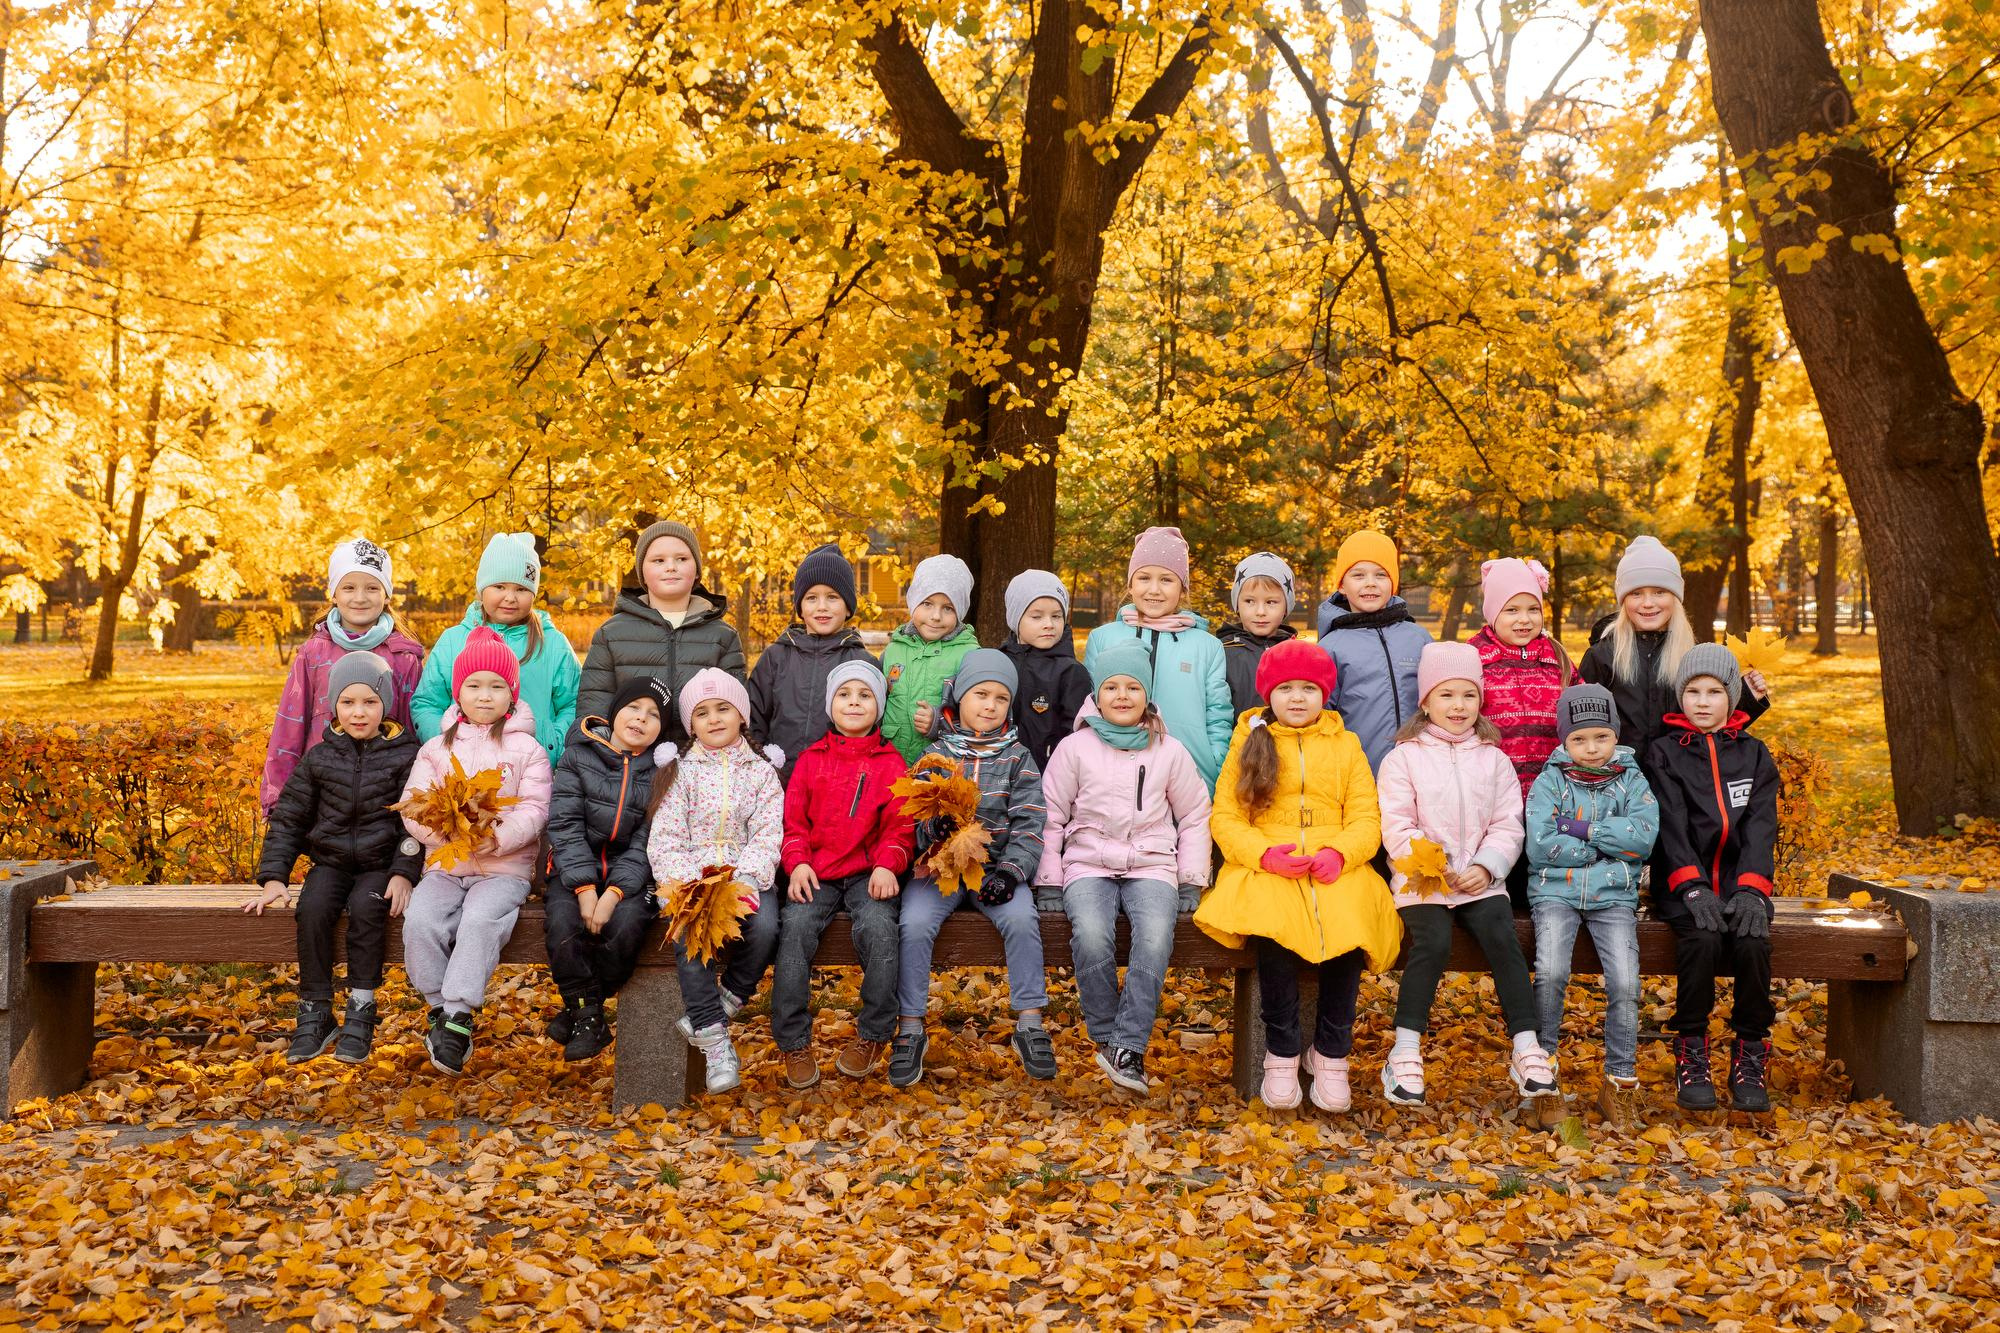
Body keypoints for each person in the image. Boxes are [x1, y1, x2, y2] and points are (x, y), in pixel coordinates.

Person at [1194, 640, 1402, 1112]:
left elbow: (1367, 817)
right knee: (1275, 928)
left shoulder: (1345, 745)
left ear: (1324, 694)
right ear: (1270, 694)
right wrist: (1265, 855)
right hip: (1267, 860)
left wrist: (1341, 853)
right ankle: (1282, 1049)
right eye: (1286, 688)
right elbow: (1226, 817)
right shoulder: (1250, 740)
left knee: (1353, 924)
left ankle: (1331, 1051)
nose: (1297, 698)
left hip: (1335, 860)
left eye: (1308, 688)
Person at [1375, 642, 1557, 1109]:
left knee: (1503, 938)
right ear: (1426, 702)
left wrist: (1485, 866)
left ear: (1481, 700)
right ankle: (1406, 1049)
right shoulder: (1404, 757)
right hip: (1423, 881)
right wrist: (1433, 866)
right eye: (1447, 696)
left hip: (1481, 881)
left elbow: (1506, 821)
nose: (1458, 706)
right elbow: (1397, 823)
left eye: (1468, 696)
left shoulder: (1492, 758)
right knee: (1432, 942)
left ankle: (1526, 1047)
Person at [1037, 643, 1211, 1093]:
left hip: (1152, 862)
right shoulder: (1075, 748)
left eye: (1133, 687)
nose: (1122, 695)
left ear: (1147, 695)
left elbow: (1193, 815)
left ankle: (1127, 1046)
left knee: (1154, 938)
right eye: (1111, 686)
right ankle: (1108, 1038)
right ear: (1096, 693)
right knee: (1092, 934)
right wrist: (1050, 881)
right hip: (1088, 860)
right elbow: (1051, 814)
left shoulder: (1168, 751)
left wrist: (1191, 878)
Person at [248, 651, 423, 1065]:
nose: (359, 713)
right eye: (348, 703)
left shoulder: (405, 756)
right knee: (312, 908)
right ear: (333, 705)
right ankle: (315, 1010)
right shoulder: (320, 757)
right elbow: (289, 818)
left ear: (386, 706)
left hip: (379, 866)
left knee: (367, 907)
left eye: (369, 703)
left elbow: (414, 826)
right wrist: (274, 877)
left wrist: (403, 873)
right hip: (331, 862)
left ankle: (361, 1010)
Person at [891, 650, 1053, 1087]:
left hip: (995, 872)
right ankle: (909, 1028)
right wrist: (932, 829)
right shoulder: (936, 756)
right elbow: (913, 816)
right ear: (959, 697)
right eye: (981, 694)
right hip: (939, 870)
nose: (990, 704)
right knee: (914, 923)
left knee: (1022, 920)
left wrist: (1014, 872)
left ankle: (1031, 1022)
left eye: (1001, 698)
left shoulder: (1017, 758)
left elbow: (1030, 822)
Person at [400, 627, 554, 1076]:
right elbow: (413, 805)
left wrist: (498, 836)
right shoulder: (436, 749)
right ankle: (439, 1011)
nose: (484, 696)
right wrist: (440, 832)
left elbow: (535, 808)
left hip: (503, 869)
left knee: (479, 921)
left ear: (512, 694)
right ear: (458, 692)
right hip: (447, 865)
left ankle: (460, 1014)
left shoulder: (527, 749)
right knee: (422, 919)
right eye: (474, 685)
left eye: (496, 686)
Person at [1646, 644, 1781, 1113]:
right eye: (1692, 691)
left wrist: (1751, 889)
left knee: (1752, 943)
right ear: (1680, 698)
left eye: (1714, 691)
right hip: (1685, 884)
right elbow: (1670, 825)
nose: (1702, 702)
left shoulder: (1755, 754)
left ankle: (1749, 1050)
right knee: (1702, 939)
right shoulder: (1664, 754)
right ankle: (1692, 1046)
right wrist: (1691, 883)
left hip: (1740, 882)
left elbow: (1761, 828)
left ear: (1733, 696)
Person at [771, 661, 914, 1087]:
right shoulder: (811, 760)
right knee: (794, 930)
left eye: (865, 694)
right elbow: (792, 821)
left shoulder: (891, 763)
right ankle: (793, 1041)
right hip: (816, 872)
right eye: (845, 694)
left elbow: (901, 825)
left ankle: (873, 1033)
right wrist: (796, 862)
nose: (854, 702)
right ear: (830, 706)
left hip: (870, 874)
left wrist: (890, 861)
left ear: (879, 705)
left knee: (880, 930)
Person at [1525, 685, 1659, 1129]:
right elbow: (1542, 844)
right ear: (1564, 740)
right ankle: (1541, 1079)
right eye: (1579, 739)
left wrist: (1579, 828)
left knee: (1624, 982)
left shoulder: (1632, 779)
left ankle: (1619, 1082)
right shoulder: (1550, 780)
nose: (1591, 748)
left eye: (1601, 737)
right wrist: (1605, 849)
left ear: (1615, 736)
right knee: (1551, 974)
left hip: (1615, 898)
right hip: (1555, 893)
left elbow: (1642, 838)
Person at [647, 668, 786, 1094]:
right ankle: (715, 1042)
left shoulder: (761, 772)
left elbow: (768, 830)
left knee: (765, 927)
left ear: (741, 715)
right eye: (702, 713)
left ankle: (729, 999)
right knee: (691, 938)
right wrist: (693, 884)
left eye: (723, 708)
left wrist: (746, 878)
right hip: (692, 880)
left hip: (747, 877)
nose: (714, 719)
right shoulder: (681, 772)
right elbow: (666, 836)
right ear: (691, 725)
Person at [542, 677, 670, 1062]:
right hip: (572, 867)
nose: (640, 719)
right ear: (615, 712)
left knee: (627, 926)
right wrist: (584, 889)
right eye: (634, 708)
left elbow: (649, 839)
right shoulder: (579, 756)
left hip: (631, 875)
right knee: (564, 925)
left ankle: (582, 1009)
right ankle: (590, 1018)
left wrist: (613, 893)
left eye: (653, 715)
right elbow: (564, 824)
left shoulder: (661, 772)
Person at [260, 538, 425, 814]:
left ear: (386, 595)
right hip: (324, 793)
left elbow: (413, 732)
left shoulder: (403, 657)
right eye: (348, 587)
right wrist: (277, 798)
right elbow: (289, 726)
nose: (360, 597)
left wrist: (415, 798)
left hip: (383, 796)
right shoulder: (313, 653)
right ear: (333, 594)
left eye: (372, 588)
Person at [1577, 536, 1769, 763]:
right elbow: (1581, 725)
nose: (1648, 603)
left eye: (1659, 592)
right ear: (1623, 599)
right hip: (1621, 784)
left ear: (1675, 597)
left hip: (1682, 783)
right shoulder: (1603, 656)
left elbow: (1713, 724)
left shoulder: (1693, 655)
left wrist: (1748, 699)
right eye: (1636, 593)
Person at [1082, 526, 1233, 793]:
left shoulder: (1207, 646)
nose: (1154, 589)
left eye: (1166, 579)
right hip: (1115, 778)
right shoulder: (1103, 639)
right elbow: (1091, 709)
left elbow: (1218, 716)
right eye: (1143, 578)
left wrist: (1215, 762)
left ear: (1182, 588)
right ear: (1130, 584)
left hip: (1192, 776)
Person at [411, 531, 580, 765]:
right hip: (462, 766)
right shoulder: (453, 640)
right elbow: (427, 702)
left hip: (531, 767)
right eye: (499, 586)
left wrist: (551, 744)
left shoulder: (552, 644)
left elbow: (573, 703)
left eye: (521, 589)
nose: (510, 597)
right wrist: (444, 745)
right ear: (482, 589)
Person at [577, 520, 746, 747]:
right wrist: (606, 757)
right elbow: (594, 707)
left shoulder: (723, 636)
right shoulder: (612, 633)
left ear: (696, 571)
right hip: (630, 762)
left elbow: (737, 710)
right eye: (658, 560)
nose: (671, 567)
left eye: (682, 559)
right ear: (642, 574)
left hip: (701, 766)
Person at [748, 543, 876, 785]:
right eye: (811, 597)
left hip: (836, 785)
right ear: (800, 607)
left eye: (833, 597)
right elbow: (754, 718)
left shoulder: (860, 662)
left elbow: (872, 728)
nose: (822, 606)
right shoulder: (776, 657)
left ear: (848, 606)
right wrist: (761, 765)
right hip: (776, 782)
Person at [1314, 530, 1433, 773]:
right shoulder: (1331, 647)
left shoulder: (1418, 639)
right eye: (1358, 575)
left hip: (1421, 770)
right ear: (1342, 586)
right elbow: (1323, 717)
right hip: (1361, 771)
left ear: (1393, 583)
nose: (1370, 583)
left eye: (1381, 575)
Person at [881, 553, 982, 765]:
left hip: (940, 766)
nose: (936, 616)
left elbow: (979, 714)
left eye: (948, 608)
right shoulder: (894, 649)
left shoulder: (969, 655)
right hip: (890, 762)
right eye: (927, 604)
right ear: (913, 602)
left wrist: (939, 722)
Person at [998, 569, 1093, 770]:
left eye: (1056, 616)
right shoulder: (1000, 663)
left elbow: (1078, 733)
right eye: (1037, 617)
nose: (1048, 624)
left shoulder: (1071, 673)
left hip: (1048, 774)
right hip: (998, 772)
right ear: (1016, 619)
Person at [1216, 552, 1300, 715]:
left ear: (1286, 607)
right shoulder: (1221, 651)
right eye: (1250, 601)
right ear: (1237, 604)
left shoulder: (1296, 652)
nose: (1260, 612)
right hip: (1238, 739)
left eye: (1271, 602)